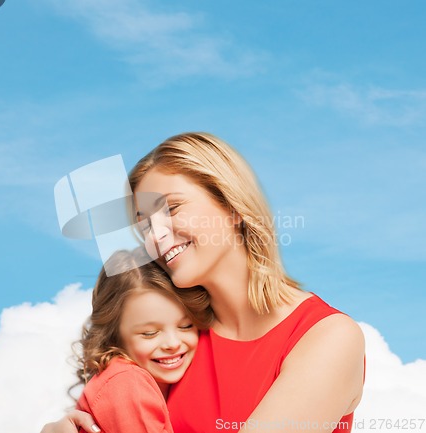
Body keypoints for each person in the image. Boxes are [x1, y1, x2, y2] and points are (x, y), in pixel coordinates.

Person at [42, 132, 365, 433]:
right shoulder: (177, 341)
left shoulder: (328, 338)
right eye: (144, 224)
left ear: (232, 205)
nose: (155, 236)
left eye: (172, 208)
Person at [68, 249, 205, 433]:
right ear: (114, 335)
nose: (172, 343)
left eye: (186, 326)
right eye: (150, 333)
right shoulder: (126, 384)